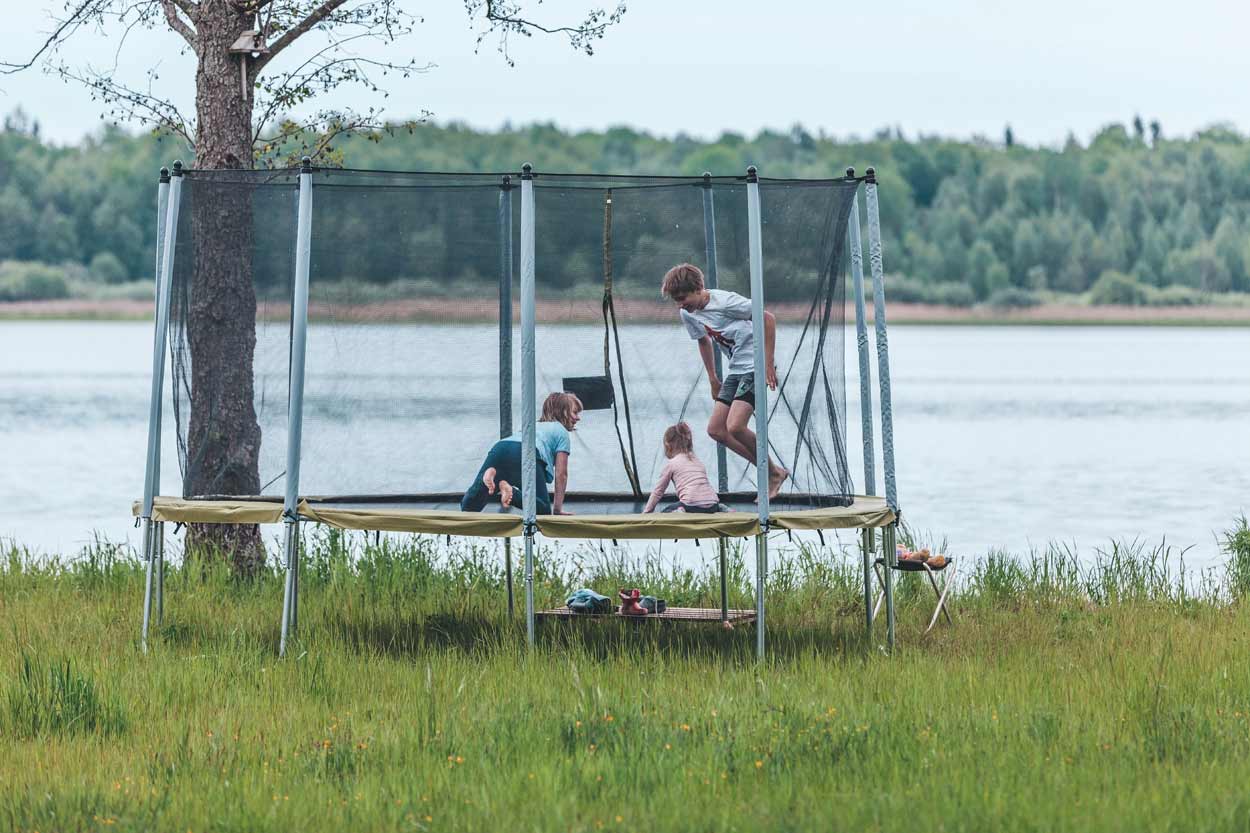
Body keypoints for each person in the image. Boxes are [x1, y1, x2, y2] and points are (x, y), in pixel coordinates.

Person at [660, 263, 788, 499]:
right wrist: (712, 378)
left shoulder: (726, 302)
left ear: (698, 288)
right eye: (676, 300)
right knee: (716, 430)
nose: (680, 304)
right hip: (736, 368)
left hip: (755, 366)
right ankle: (772, 471)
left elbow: (767, 318)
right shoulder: (687, 313)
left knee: (736, 426)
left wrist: (767, 364)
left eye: (683, 298)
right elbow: (702, 341)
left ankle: (771, 473)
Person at [460, 392, 582, 515]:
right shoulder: (561, 431)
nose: (578, 418)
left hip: (500, 448)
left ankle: (487, 478)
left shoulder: (534, 425)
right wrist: (557, 509)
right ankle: (511, 492)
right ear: (563, 411)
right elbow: (561, 474)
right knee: (543, 509)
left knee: (468, 508)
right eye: (575, 412)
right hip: (526, 454)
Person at [643, 422, 722, 513]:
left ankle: (680, 511)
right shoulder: (697, 461)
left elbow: (658, 492)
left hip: (691, 505)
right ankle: (721, 508)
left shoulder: (672, 464)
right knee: (707, 504)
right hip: (713, 504)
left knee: (666, 511)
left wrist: (646, 513)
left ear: (668, 445)